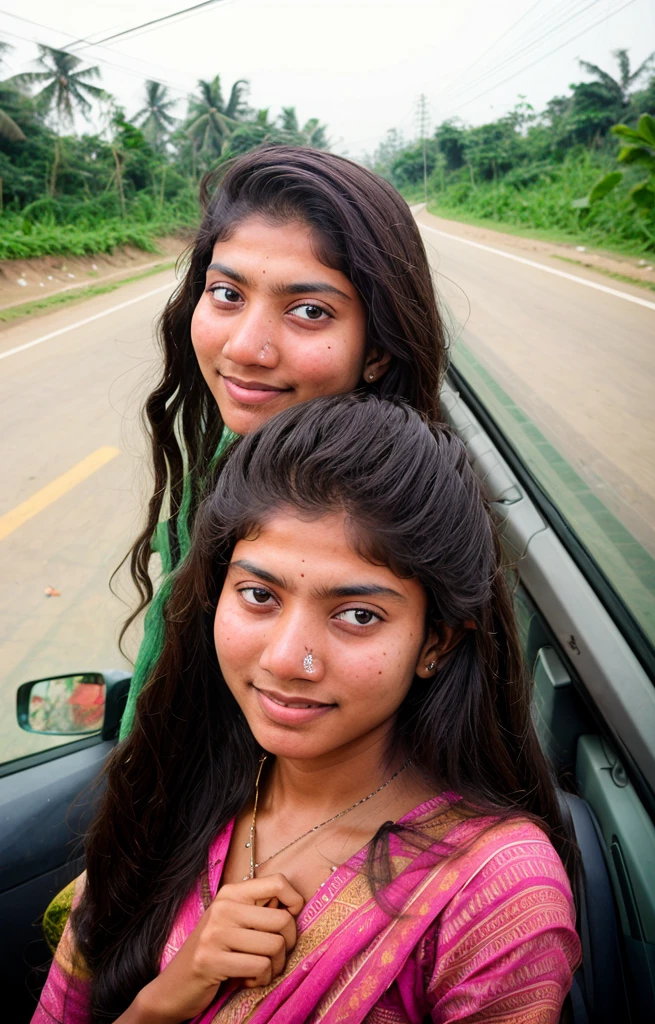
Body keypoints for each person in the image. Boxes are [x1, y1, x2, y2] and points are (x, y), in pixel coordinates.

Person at [34, 395, 580, 1024]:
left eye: (358, 615)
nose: (290, 659)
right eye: (259, 595)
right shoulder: (170, 790)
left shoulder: (496, 894)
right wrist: (162, 1001)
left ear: (436, 641)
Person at [119, 144, 448, 742]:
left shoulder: (386, 515)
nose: (246, 347)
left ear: (376, 349)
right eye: (227, 294)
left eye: (309, 311)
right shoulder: (235, 448)